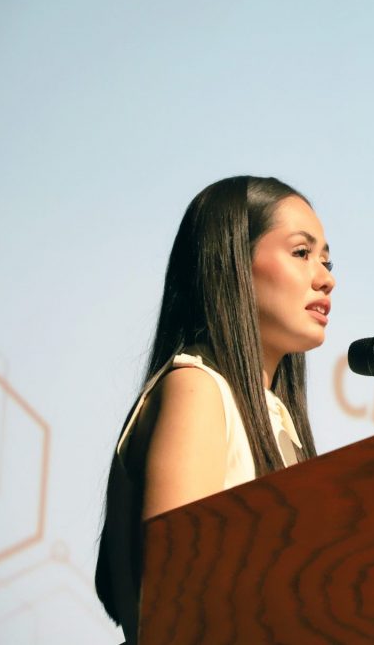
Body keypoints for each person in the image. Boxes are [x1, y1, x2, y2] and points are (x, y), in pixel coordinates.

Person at [94, 176, 335, 642]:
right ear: (232, 261)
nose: (326, 277)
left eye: (326, 260)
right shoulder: (198, 388)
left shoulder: (277, 418)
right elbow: (174, 597)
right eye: (301, 253)